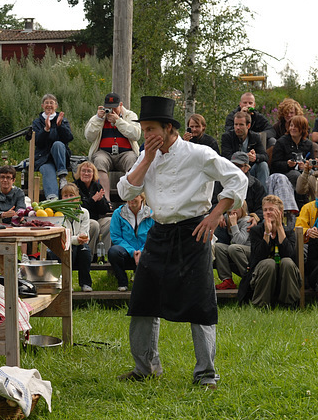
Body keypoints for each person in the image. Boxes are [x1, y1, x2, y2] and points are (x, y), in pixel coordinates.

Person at [116, 96, 247, 389]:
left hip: (195, 231)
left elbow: (237, 179)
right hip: (159, 231)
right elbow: (125, 190)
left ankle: (206, 373)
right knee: (143, 301)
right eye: (144, 129)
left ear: (169, 128)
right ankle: (146, 367)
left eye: (151, 129)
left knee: (200, 303)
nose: (146, 135)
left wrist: (215, 215)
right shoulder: (145, 156)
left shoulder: (198, 154)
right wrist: (147, 158)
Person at [83, 92, 141, 201]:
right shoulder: (98, 117)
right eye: (108, 108)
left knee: (132, 161)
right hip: (104, 153)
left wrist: (118, 121)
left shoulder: (130, 115)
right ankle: (106, 201)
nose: (112, 111)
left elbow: (136, 135)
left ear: (121, 105)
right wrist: (98, 119)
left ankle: (132, 200)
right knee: (99, 160)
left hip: (126, 153)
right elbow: (89, 137)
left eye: (114, 108)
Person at [247, 195, 301, 308]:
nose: (268, 212)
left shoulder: (289, 231)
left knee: (287, 262)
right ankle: (261, 305)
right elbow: (258, 257)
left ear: (280, 212)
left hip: (285, 276)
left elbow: (290, 255)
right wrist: (266, 233)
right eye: (265, 210)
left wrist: (279, 227)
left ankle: (288, 304)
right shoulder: (256, 231)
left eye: (271, 209)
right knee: (268, 263)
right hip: (263, 275)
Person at [47, 184, 92, 291]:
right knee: (69, 250)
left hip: (79, 246)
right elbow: (61, 237)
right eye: (65, 196)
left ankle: (85, 283)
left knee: (85, 250)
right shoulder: (57, 213)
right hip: (61, 246)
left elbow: (84, 234)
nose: (68, 198)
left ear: (77, 197)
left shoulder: (84, 212)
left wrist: (79, 239)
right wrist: (76, 239)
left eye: (71, 195)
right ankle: (66, 283)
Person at [108, 193, 154, 292]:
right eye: (129, 196)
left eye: (135, 195)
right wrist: (132, 251)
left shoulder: (151, 214)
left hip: (145, 252)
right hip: (126, 252)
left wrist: (141, 251)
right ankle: (122, 282)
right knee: (113, 252)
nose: (131, 199)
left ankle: (145, 285)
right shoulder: (118, 213)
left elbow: (153, 237)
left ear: (142, 197)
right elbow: (116, 237)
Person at [31, 94, 73, 200]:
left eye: (51, 103)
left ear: (56, 106)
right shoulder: (37, 122)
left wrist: (60, 126)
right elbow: (37, 142)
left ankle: (62, 176)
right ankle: (53, 200)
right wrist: (46, 129)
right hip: (44, 158)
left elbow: (68, 138)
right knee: (47, 171)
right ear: (42, 105)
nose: (49, 105)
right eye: (46, 103)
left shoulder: (63, 120)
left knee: (57, 144)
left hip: (60, 157)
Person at [270, 114, 314, 199]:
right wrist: (287, 164)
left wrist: (306, 166)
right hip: (286, 172)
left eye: (296, 126)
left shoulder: (308, 144)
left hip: (304, 172)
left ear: (303, 129)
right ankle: (300, 201)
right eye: (291, 125)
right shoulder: (281, 142)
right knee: (296, 175)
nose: (292, 128)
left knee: (314, 175)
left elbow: (311, 161)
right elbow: (274, 164)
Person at [220, 111, 269, 187]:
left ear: (248, 126)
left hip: (250, 170)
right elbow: (225, 156)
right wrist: (244, 157)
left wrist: (255, 157)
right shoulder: (227, 137)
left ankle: (263, 196)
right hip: (233, 170)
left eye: (241, 125)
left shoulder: (255, 137)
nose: (238, 127)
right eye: (236, 124)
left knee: (263, 165)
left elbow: (265, 156)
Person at [73, 161, 111, 257]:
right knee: (94, 224)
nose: (86, 173)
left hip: (96, 218)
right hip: (79, 221)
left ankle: (103, 255)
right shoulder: (75, 186)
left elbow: (105, 209)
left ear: (93, 174)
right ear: (79, 172)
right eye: (84, 171)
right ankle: (89, 254)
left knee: (110, 221)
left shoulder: (97, 186)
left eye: (89, 171)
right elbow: (79, 207)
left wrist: (100, 200)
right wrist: (93, 199)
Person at [212, 201, 252, 290]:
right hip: (235, 249)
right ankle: (227, 281)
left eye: (236, 207)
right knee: (219, 247)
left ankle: (248, 277)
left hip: (248, 250)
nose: (233, 210)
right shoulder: (228, 217)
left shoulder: (247, 220)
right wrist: (220, 215)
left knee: (233, 247)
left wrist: (234, 224)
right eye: (231, 208)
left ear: (242, 208)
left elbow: (240, 241)